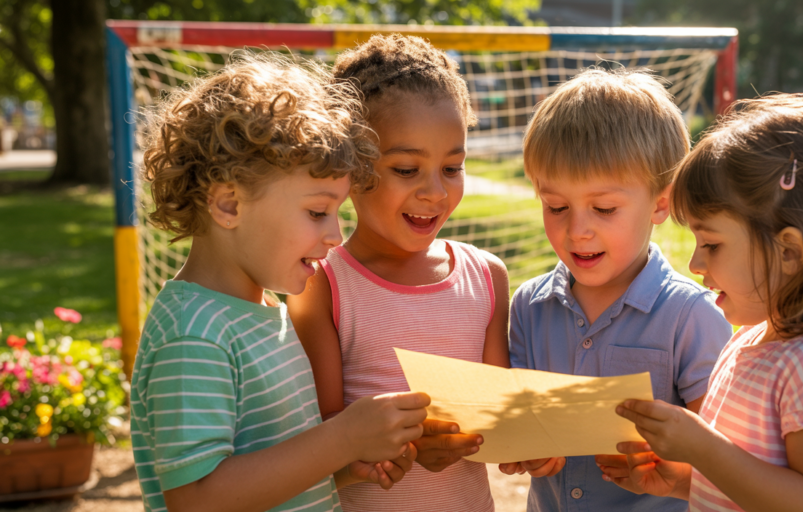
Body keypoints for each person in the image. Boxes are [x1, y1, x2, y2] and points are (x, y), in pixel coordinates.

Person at [129, 52, 431, 512]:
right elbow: (196, 499)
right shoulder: (194, 335)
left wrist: (346, 466)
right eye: (316, 212)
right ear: (229, 205)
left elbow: (266, 466)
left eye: (337, 213)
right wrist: (342, 437)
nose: (334, 235)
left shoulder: (262, 310)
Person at [602, 93, 803, 512]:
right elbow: (755, 480)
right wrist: (682, 480)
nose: (695, 264)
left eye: (711, 244)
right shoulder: (754, 336)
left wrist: (703, 448)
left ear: (789, 252)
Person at [288, 34, 510, 512]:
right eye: (407, 169)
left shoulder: (487, 277)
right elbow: (320, 444)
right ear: (351, 163)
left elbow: (499, 422)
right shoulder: (321, 285)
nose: (435, 192)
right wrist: (408, 447)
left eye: (453, 167)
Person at [497, 68, 733, 511]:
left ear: (661, 203)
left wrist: (668, 466)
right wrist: (524, 447)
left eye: (603, 208)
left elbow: (724, 458)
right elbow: (519, 426)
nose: (577, 231)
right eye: (556, 206)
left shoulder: (692, 316)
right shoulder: (528, 306)